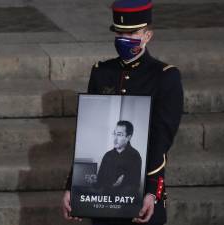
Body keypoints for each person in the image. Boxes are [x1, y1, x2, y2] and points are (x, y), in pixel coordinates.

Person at [62, 0, 183, 224]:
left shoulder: (165, 77)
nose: (124, 39)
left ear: (148, 36)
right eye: (119, 32)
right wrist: (73, 187)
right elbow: (84, 136)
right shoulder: (102, 72)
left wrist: (151, 192)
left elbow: (160, 141)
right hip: (104, 207)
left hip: (141, 198)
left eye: (133, 33)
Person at [95, 120, 142, 196]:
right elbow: (100, 181)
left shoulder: (134, 156)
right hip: (105, 198)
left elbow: (135, 186)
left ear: (128, 137)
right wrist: (95, 180)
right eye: (115, 134)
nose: (115, 139)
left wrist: (120, 184)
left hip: (124, 201)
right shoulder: (107, 155)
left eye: (119, 135)